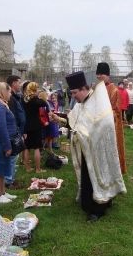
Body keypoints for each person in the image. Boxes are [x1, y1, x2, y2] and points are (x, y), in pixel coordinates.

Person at [50, 71, 127, 222]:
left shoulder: (98, 102)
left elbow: (106, 124)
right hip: (86, 149)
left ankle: (98, 210)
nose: (72, 96)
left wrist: (86, 134)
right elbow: (74, 122)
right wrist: (58, 119)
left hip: (99, 149)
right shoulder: (80, 105)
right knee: (88, 177)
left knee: (99, 176)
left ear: (84, 89)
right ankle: (93, 203)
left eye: (74, 92)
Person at [0, 82, 18, 204]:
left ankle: (3, 193)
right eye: (9, 92)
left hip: (4, 142)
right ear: (3, 92)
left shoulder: (2, 105)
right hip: (0, 143)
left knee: (3, 170)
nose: (10, 94)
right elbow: (2, 128)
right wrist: (7, 146)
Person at [96, 62, 127, 174]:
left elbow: (117, 112)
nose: (99, 76)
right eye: (97, 74)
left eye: (102, 74)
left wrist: (102, 116)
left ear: (107, 75)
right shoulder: (96, 88)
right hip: (97, 126)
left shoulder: (114, 90)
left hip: (110, 126)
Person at [22, 82, 50, 173]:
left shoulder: (24, 99)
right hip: (35, 125)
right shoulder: (35, 100)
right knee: (37, 147)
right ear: (34, 90)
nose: (38, 90)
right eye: (37, 89)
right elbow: (45, 103)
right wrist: (40, 96)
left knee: (27, 147)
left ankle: (28, 168)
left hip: (27, 124)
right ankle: (38, 169)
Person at [6, 75, 26, 190]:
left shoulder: (15, 97)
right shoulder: (11, 99)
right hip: (14, 132)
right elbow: (12, 117)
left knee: (15, 157)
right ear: (13, 84)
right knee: (13, 157)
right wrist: (18, 131)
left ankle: (11, 179)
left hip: (18, 131)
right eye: (19, 82)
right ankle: (9, 181)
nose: (20, 84)